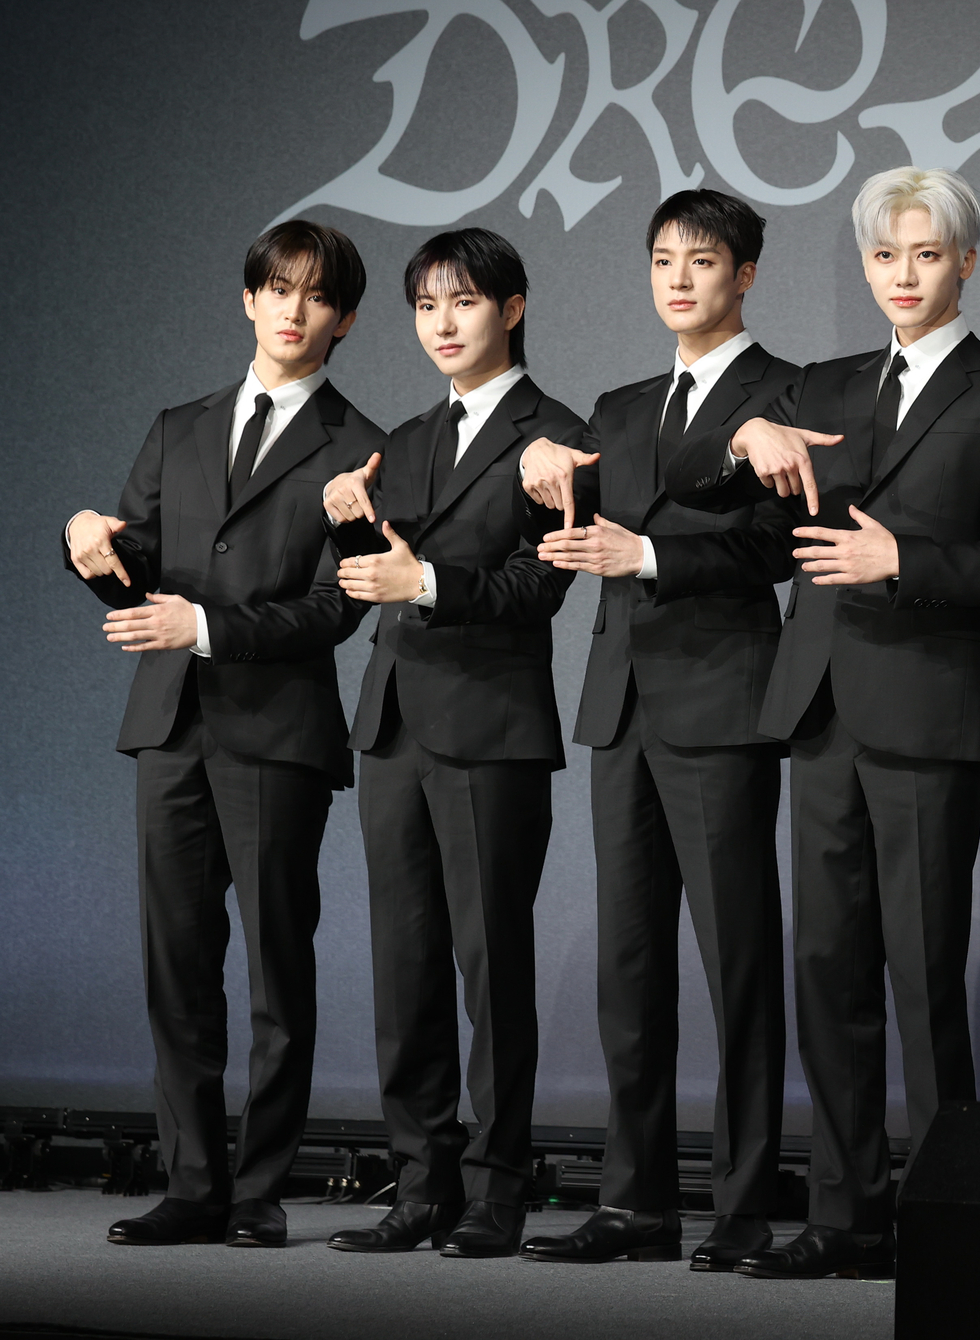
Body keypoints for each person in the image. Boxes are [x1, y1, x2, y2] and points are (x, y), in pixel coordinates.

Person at [640, 166, 980, 1280]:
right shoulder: (820, 386)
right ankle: (844, 1213)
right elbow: (681, 466)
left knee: (922, 976)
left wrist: (900, 560)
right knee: (827, 967)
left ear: (965, 261)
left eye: (925, 255)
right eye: (885, 256)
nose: (903, 275)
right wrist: (741, 448)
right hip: (818, 704)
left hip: (927, 711)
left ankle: (947, 1215)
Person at [64, 221, 382, 1249]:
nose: (292, 307)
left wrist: (203, 626)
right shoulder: (179, 425)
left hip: (278, 731)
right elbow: (136, 562)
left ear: (343, 319)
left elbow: (338, 606)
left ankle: (260, 1186)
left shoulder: (355, 446)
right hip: (170, 725)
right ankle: (192, 1181)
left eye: (315, 294)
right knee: (177, 960)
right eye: (276, 287)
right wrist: (87, 546)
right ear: (247, 298)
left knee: (277, 966)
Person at [515, 190, 800, 1270]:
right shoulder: (619, 403)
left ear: (745, 274)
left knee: (735, 958)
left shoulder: (785, 394)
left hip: (723, 699)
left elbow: (777, 542)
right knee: (629, 962)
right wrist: (541, 469)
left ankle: (741, 1203)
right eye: (663, 260)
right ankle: (633, 1201)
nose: (679, 278)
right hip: (621, 699)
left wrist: (648, 557)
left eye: (704, 260)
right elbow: (552, 503)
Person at [316, 229, 584, 1259]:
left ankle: (496, 1187)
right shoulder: (410, 435)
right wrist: (348, 522)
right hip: (393, 726)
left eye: (463, 303)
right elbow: (375, 571)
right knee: (406, 966)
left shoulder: (554, 433)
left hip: (490, 730)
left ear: (510, 309)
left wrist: (420, 579)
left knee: (489, 964)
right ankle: (418, 1180)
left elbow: (538, 584)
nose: (442, 323)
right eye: (426, 305)